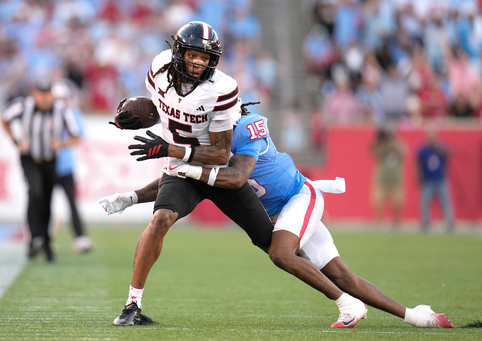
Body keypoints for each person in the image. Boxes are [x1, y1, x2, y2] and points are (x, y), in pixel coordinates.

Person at [103, 21, 369, 328]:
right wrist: (134, 110)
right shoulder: (160, 69)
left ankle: (344, 298)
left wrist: (172, 150)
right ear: (177, 52)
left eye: (205, 57)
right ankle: (132, 304)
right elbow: (161, 106)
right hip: (183, 170)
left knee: (277, 249)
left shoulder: (221, 89)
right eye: (193, 55)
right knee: (161, 218)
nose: (199, 62)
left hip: (216, 171)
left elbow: (218, 152)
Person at [101, 102, 453, 329]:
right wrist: (133, 196)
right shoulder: (206, 140)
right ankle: (417, 316)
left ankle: (349, 306)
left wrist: (183, 163)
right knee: (343, 275)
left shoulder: (246, 125)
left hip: (299, 197)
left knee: (281, 253)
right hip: (283, 209)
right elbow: (175, 175)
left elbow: (235, 176)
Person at [0, 79, 82, 262]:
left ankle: (44, 241)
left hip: (49, 160)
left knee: (46, 199)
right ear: (35, 94)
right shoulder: (23, 106)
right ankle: (35, 238)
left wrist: (61, 144)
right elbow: (4, 118)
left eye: (47, 94)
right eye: (41, 94)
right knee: (35, 192)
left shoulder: (62, 111)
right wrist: (16, 141)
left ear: (52, 95)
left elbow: (76, 136)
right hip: (29, 158)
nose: (44, 98)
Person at [52, 80, 92, 253]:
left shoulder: (72, 113)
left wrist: (60, 144)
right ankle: (44, 239)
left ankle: (80, 237)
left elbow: (79, 134)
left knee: (71, 203)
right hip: (47, 166)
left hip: (65, 166)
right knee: (44, 204)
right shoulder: (47, 113)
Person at [416, 126, 455, 232]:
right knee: (425, 202)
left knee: (446, 201)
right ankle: (425, 223)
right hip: (428, 180)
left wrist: (440, 148)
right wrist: (418, 177)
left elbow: (449, 155)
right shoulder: (423, 149)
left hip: (440, 179)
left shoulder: (441, 147)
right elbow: (418, 163)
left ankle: (449, 222)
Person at [369, 128, 406, 229]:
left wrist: (393, 145)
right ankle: (379, 222)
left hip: (395, 180)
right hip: (382, 180)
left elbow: (404, 155)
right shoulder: (381, 146)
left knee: (397, 202)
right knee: (378, 201)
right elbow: (373, 152)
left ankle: (396, 222)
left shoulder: (399, 145)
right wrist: (382, 144)